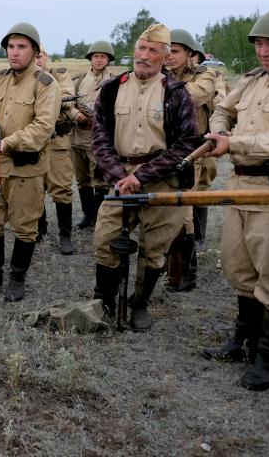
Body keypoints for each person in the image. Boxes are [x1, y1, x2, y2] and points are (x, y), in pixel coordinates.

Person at [90, 24, 200, 331]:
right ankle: (105, 301)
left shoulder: (176, 93)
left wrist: (143, 176)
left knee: (154, 247)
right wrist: (118, 175)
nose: (145, 55)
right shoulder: (112, 88)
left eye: (153, 50)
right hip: (120, 177)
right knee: (106, 237)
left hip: (162, 179)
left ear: (165, 57)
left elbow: (187, 144)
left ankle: (140, 304)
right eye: (141, 48)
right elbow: (99, 138)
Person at [203, 7, 269, 391]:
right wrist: (218, 130)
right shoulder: (250, 81)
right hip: (238, 188)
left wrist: (233, 141)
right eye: (259, 44)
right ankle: (243, 341)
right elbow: (222, 108)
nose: (264, 52)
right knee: (240, 269)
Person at [0, 23, 59, 301]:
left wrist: (10, 141)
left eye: (21, 47)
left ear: (34, 51)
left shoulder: (45, 84)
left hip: (26, 167)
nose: (14, 53)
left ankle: (17, 278)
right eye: (10, 46)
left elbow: (43, 127)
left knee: (25, 224)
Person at [163, 28, 218, 291]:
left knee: (186, 208)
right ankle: (165, 264)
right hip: (165, 149)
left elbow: (198, 95)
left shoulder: (205, 74)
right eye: (166, 51)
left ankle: (185, 274)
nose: (169, 56)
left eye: (175, 51)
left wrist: (162, 89)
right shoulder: (159, 76)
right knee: (164, 208)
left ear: (189, 54)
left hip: (193, 150)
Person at [69, 40, 116, 229]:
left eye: (103, 56)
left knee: (100, 179)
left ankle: (100, 217)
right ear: (90, 58)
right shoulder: (78, 80)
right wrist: (75, 114)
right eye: (96, 56)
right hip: (77, 136)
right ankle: (88, 216)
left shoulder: (115, 81)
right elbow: (68, 104)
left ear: (108, 59)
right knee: (81, 179)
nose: (99, 60)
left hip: (99, 138)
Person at [34, 48, 76, 255]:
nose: (36, 60)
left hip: (57, 141)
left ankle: (65, 235)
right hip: (33, 142)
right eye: (33, 56)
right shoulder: (22, 77)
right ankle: (39, 229)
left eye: (39, 55)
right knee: (35, 186)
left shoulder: (59, 74)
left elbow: (69, 96)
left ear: (45, 57)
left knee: (61, 188)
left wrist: (42, 100)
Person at [189, 38, 226, 253]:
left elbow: (221, 101)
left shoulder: (212, 78)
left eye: (195, 56)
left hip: (204, 142)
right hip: (180, 143)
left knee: (201, 187)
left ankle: (199, 236)